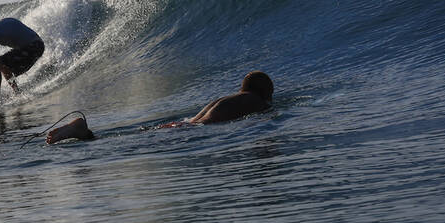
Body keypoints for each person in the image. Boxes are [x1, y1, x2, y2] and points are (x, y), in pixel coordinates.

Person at [45, 71, 274, 144]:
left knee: (130, 136)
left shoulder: (231, 97)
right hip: (192, 129)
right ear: (265, 92)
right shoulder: (256, 101)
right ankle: (85, 134)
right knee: (128, 140)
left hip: (187, 124)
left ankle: (86, 134)